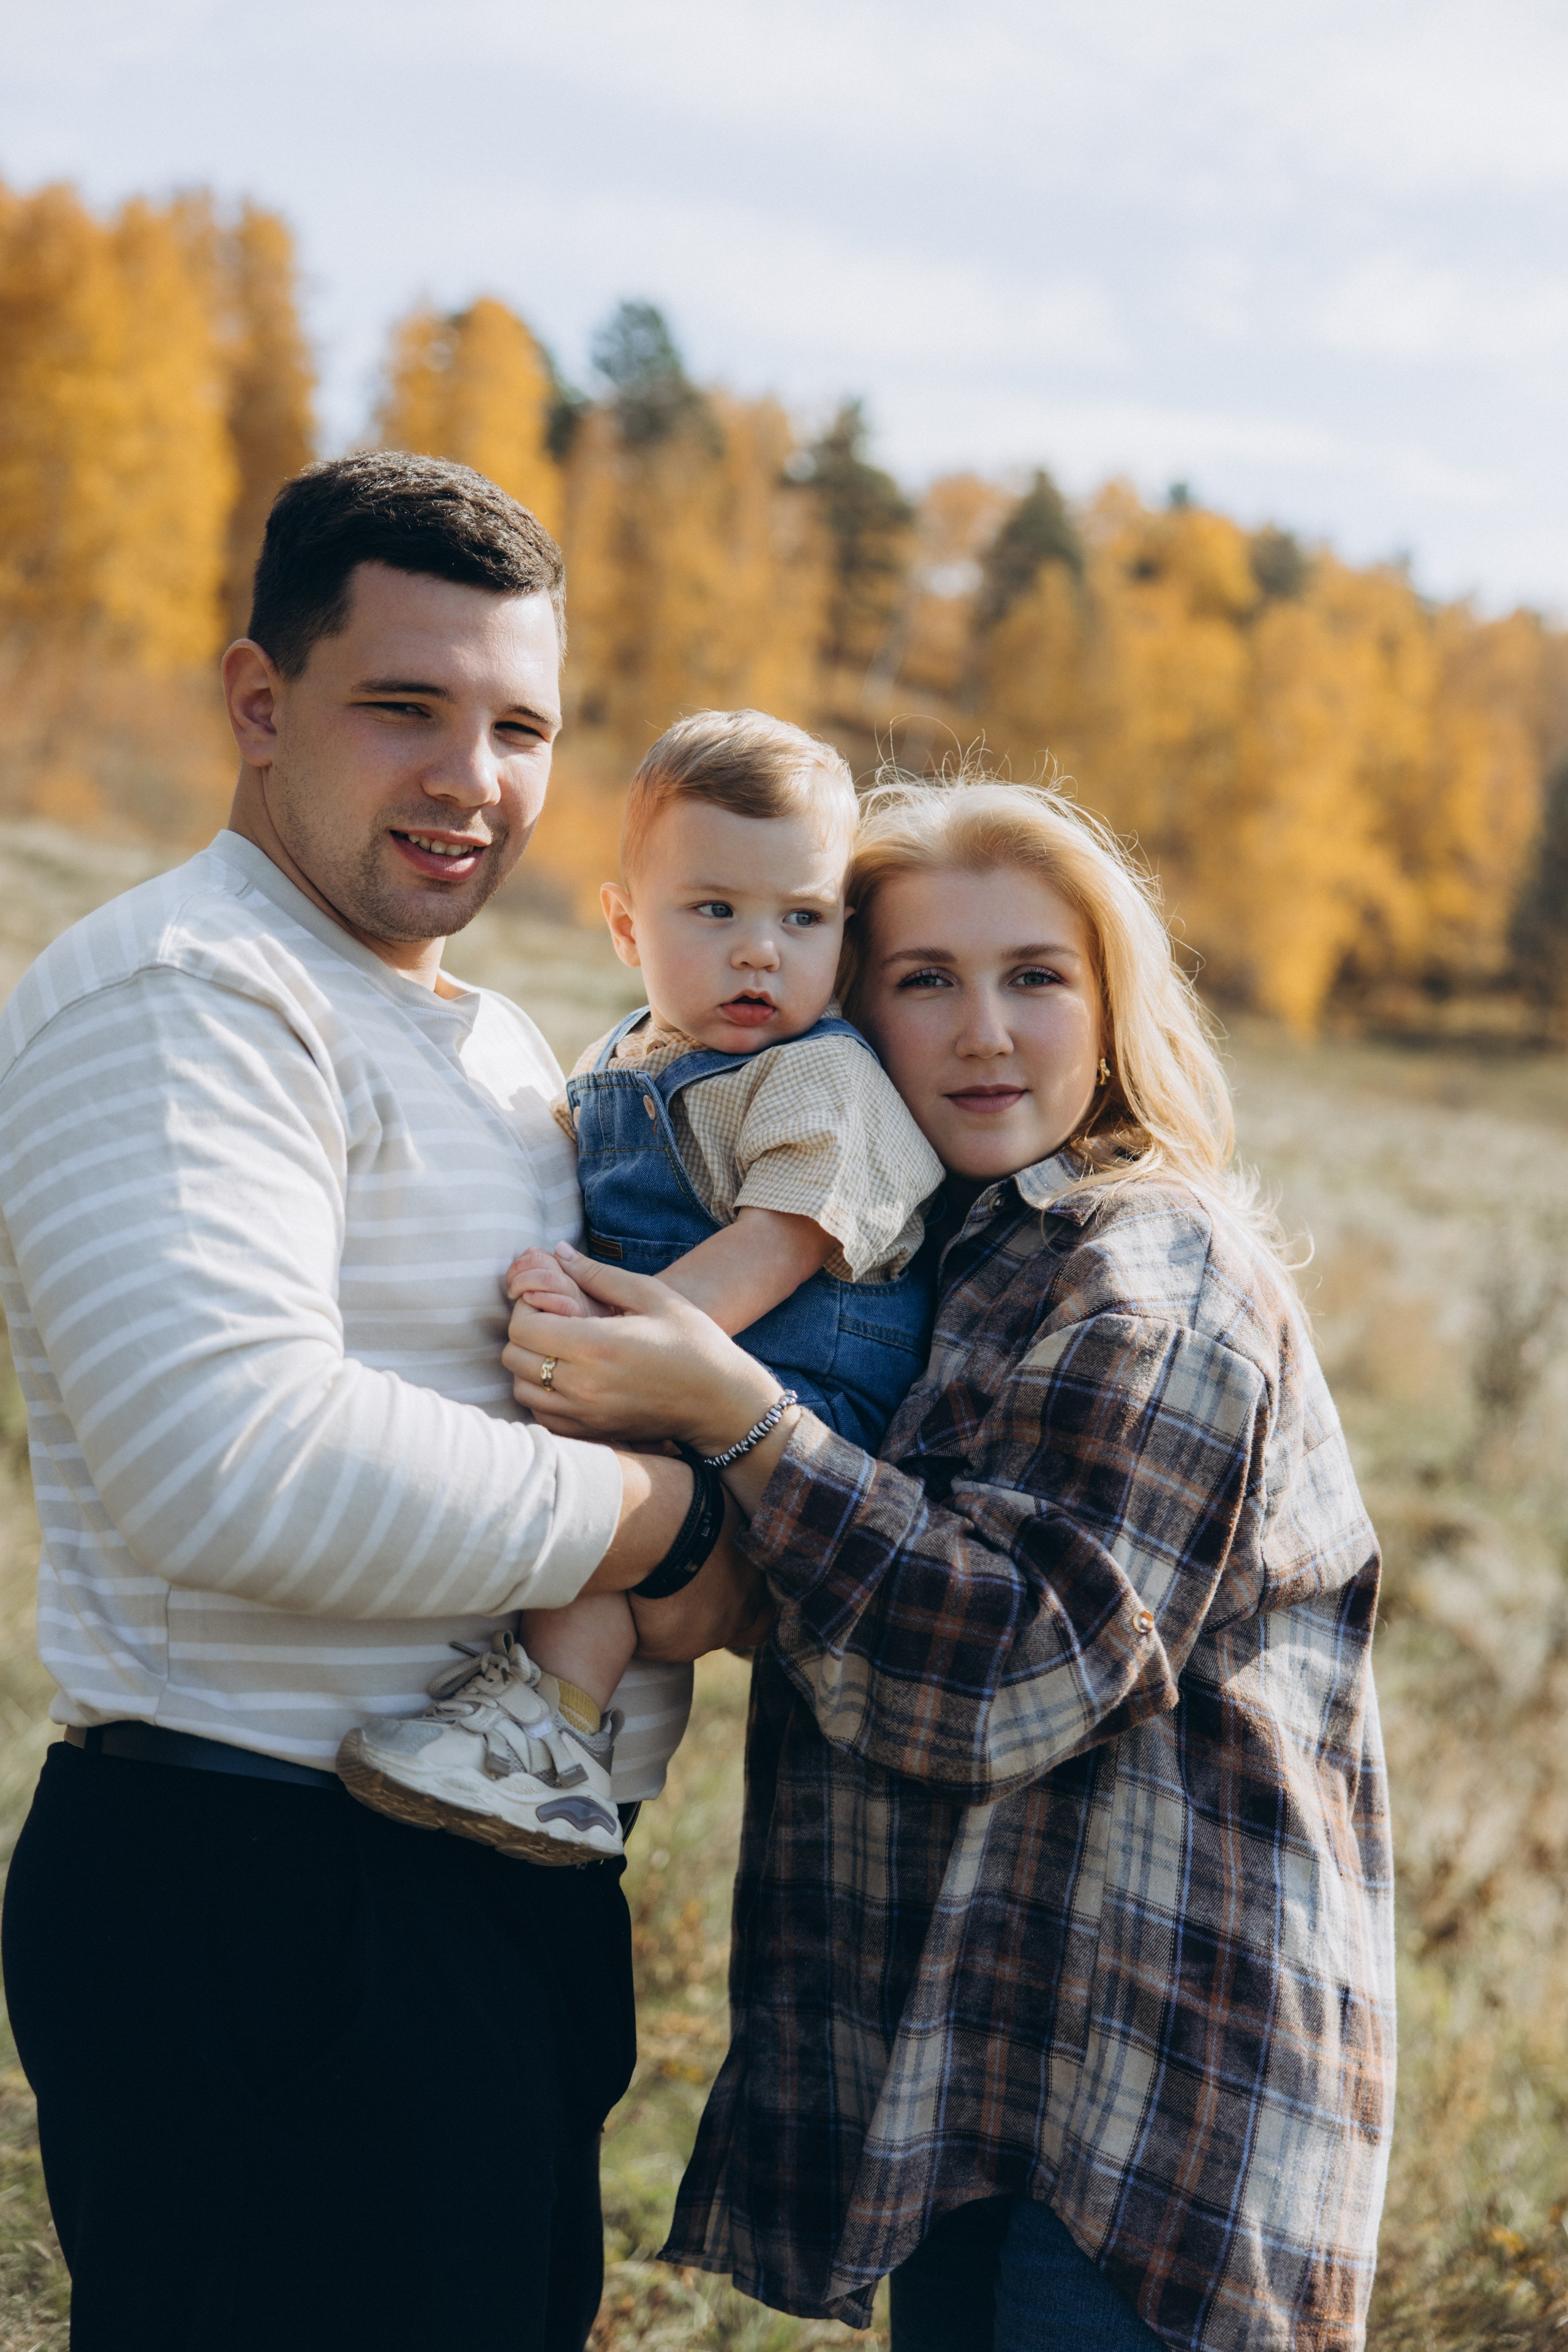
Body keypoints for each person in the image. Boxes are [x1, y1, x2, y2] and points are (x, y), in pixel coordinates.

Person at [0, 452, 760, 2352]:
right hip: (259, 1893)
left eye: (520, 725)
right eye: (404, 706)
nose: (470, 778)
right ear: (260, 703)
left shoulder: (493, 1037)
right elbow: (231, 1467)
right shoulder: (185, 994)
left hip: (474, 1899)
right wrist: (683, 1521)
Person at [500, 773, 1397, 2352]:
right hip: (975, 2063)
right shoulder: (934, 1259)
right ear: (854, 1014)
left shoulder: (1149, 1269)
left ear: (1109, 1007)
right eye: (925, 980)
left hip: (1149, 2106)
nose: (983, 1031)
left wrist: (738, 1415)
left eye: (1035, 978)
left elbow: (1011, 1674)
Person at [342, 709, 941, 1863]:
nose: (759, 951)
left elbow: (778, 1246)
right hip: (682, 1381)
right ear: (626, 923)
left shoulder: (823, 1076)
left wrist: (611, 1338)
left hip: (792, 1412)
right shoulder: (625, 1056)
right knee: (589, 1517)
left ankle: (550, 1740)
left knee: (591, 1497)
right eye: (714, 910)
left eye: (801, 918)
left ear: (845, 940)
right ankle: (556, 1735)